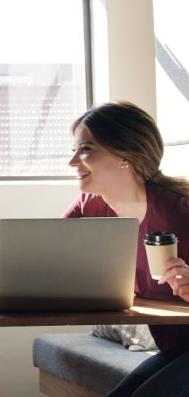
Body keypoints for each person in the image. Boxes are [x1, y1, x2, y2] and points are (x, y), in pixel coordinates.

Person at [64, 101, 189, 397]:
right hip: (176, 348)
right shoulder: (90, 205)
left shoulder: (180, 212)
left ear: (124, 156)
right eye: (74, 150)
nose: (73, 163)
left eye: (86, 149)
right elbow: (51, 258)